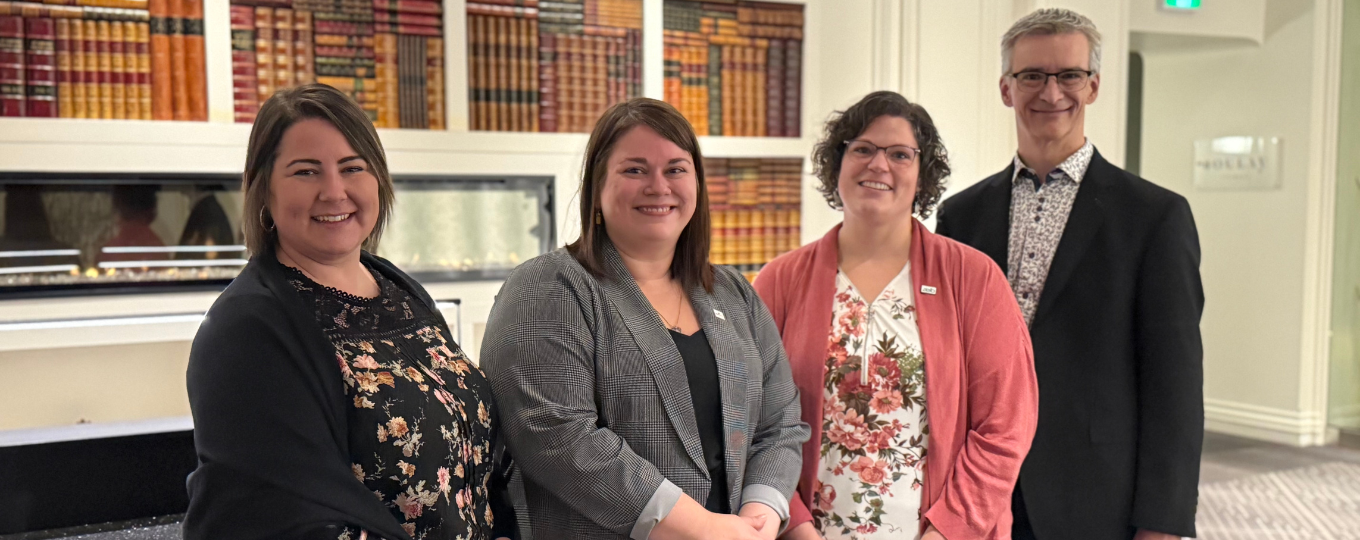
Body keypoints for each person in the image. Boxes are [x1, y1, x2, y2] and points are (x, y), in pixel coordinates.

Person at [184, 84, 515, 540]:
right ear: (264, 190)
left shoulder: (401, 290)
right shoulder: (247, 330)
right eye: (306, 172)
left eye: (352, 167)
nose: (334, 191)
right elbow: (282, 517)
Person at [480, 97, 809, 540]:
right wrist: (703, 529)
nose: (658, 186)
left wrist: (761, 516)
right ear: (597, 187)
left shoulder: (733, 293)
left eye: (675, 169)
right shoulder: (548, 287)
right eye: (635, 170)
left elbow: (780, 422)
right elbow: (556, 434)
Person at [935, 9, 1204, 540]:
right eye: (1032, 75)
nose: (1051, 92)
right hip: (976, 488)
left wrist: (1162, 523)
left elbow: (1174, 386)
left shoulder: (1154, 217)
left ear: (1093, 86)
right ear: (1007, 89)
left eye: (1069, 75)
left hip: (1095, 495)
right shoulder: (960, 216)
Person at [753, 91, 1038, 540]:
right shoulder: (780, 281)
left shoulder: (974, 279)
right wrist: (797, 528)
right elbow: (751, 422)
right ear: (837, 163)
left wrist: (946, 533)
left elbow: (1005, 427)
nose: (878, 165)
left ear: (923, 175)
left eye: (900, 154)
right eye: (862, 149)